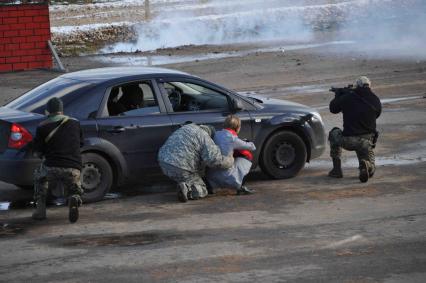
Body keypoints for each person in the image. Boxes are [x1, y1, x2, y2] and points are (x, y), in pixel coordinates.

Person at [32, 97, 84, 223]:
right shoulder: (75, 123)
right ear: (62, 110)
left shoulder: (42, 126)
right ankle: (75, 198)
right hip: (74, 166)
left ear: (47, 111)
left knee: (39, 178)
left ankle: (40, 211)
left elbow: (38, 151)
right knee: (75, 187)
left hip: (51, 167)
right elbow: (81, 143)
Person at [158, 123, 234, 202]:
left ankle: (184, 184)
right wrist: (230, 160)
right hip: (180, 166)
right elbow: (214, 160)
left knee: (187, 176)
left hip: (163, 162)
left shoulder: (187, 127)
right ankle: (188, 188)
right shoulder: (205, 137)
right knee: (203, 189)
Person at [328, 76, 382, 183]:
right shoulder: (375, 99)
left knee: (334, 133)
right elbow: (376, 114)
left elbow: (333, 109)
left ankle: (336, 169)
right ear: (369, 86)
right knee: (371, 169)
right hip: (366, 142)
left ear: (356, 85)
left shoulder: (347, 97)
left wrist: (338, 96)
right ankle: (366, 166)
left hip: (348, 140)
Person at [207, 115, 256, 195]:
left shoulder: (216, 134)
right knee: (247, 155)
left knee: (231, 153)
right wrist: (246, 141)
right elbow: (252, 147)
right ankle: (239, 186)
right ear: (237, 127)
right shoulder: (233, 138)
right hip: (226, 177)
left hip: (211, 177)